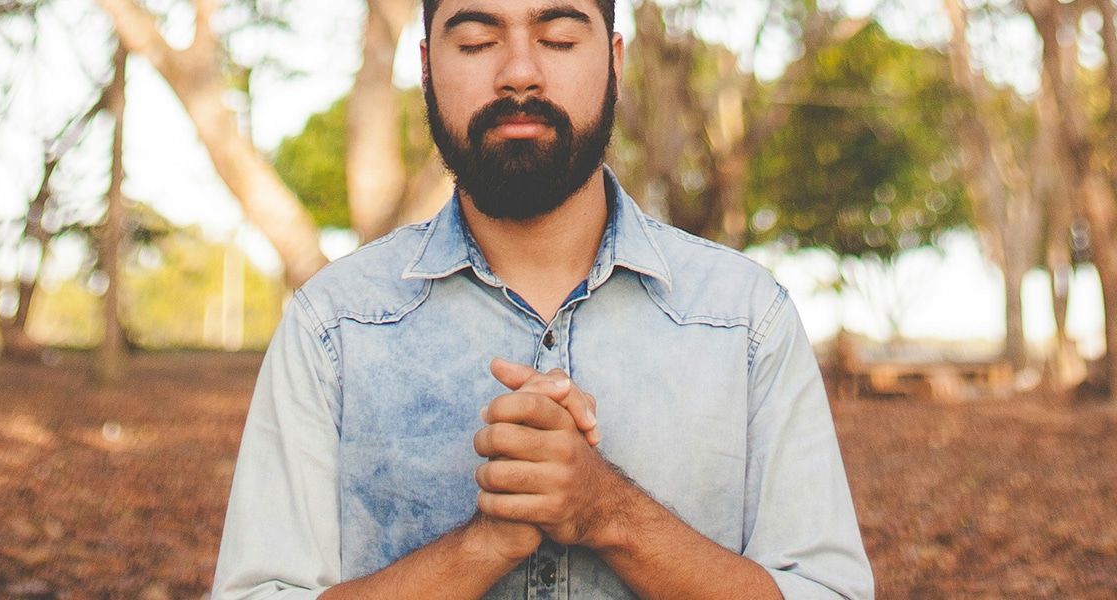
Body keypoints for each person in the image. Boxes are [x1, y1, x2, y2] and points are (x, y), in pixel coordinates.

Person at [212, 0, 874, 597]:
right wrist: (482, 545)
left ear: (614, 62)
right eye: (475, 43)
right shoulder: (332, 326)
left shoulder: (747, 319)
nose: (520, 74)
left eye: (558, 39)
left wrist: (609, 512)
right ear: (427, 67)